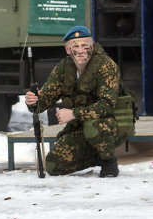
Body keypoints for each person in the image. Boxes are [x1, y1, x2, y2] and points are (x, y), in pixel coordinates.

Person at [23, 25, 132, 178]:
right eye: (76, 46)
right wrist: (33, 101)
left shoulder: (106, 66)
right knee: (53, 166)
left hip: (112, 125)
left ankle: (108, 161)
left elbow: (107, 106)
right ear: (68, 50)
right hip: (81, 127)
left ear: (92, 47)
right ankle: (96, 158)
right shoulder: (63, 69)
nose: (80, 51)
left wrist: (73, 113)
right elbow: (45, 100)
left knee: (94, 125)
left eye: (84, 46)